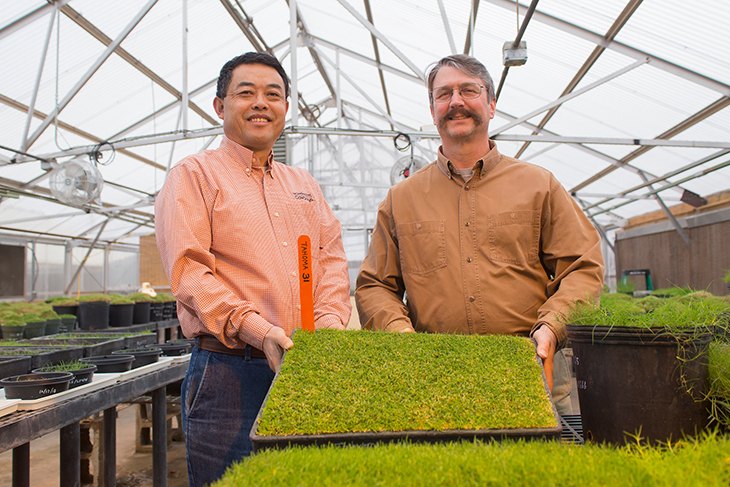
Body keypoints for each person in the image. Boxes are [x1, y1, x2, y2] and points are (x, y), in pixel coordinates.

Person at [355, 54, 604, 409]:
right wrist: (400, 335)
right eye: (444, 94)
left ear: (491, 105)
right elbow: (375, 284)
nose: (455, 101)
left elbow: (583, 267)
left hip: (532, 368)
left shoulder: (538, 185)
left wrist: (551, 327)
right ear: (433, 111)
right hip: (434, 375)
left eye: (468, 90)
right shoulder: (401, 199)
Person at [155, 52, 351, 487]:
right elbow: (189, 273)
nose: (261, 103)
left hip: (307, 366)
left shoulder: (303, 185)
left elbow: (332, 259)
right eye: (246, 93)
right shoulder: (194, 176)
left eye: (273, 95)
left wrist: (329, 323)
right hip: (230, 372)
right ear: (220, 106)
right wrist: (259, 331)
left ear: (285, 108)